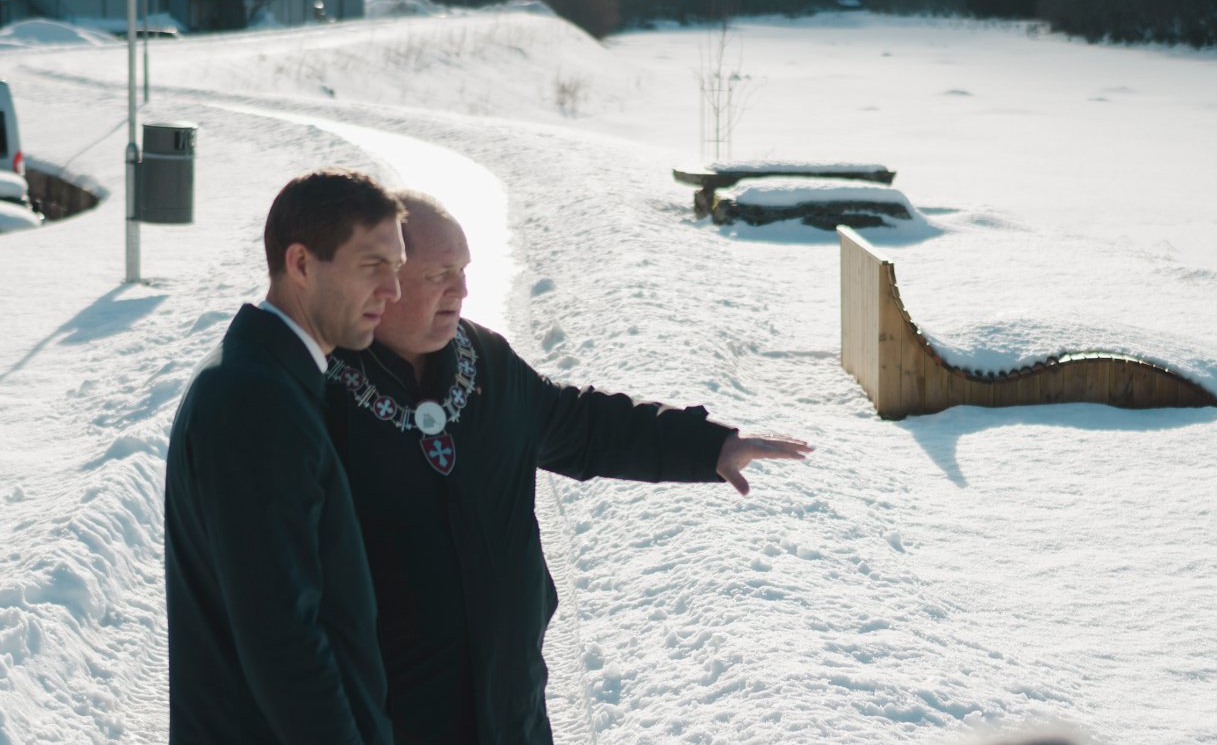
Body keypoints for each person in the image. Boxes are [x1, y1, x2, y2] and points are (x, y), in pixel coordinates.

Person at [325, 191, 811, 745]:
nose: (461, 291)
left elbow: (581, 425)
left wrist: (708, 448)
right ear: (378, 280)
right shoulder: (311, 396)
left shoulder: (484, 360)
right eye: (439, 275)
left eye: (463, 271)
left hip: (511, 708)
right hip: (383, 718)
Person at [166, 168, 407, 745]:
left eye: (397, 267)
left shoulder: (268, 378)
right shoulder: (256, 401)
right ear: (300, 263)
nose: (393, 290)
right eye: (373, 265)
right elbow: (283, 638)